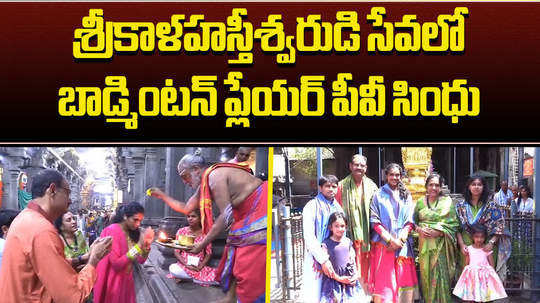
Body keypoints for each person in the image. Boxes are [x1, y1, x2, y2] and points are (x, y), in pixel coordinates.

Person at [150, 150, 267, 303]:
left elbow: (225, 216)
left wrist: (202, 244)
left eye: (185, 176)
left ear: (196, 169)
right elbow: (186, 208)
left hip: (258, 206)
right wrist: (163, 195)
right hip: (242, 214)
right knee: (233, 255)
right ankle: (230, 297)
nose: (184, 182)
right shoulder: (204, 185)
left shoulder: (214, 177)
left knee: (246, 262)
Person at [0, 169, 112, 303]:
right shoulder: (41, 229)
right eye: (67, 193)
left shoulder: (25, 218)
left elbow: (45, 268)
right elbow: (73, 297)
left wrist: (83, 258)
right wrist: (94, 260)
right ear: (52, 190)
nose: (70, 200)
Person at [369, 163, 417, 303]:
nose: (394, 177)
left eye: (397, 175)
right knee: (385, 278)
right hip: (384, 244)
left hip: (402, 244)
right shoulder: (378, 194)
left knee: (403, 277)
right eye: (392, 175)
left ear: (401, 176)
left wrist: (400, 240)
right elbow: (375, 221)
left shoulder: (406, 194)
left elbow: (410, 220)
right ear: (386, 176)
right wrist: (391, 241)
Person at [93, 202, 154, 303]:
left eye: (140, 221)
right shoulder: (112, 230)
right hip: (113, 281)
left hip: (127, 278)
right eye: (135, 220)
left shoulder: (134, 232)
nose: (138, 224)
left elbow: (141, 260)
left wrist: (146, 246)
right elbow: (117, 264)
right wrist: (139, 245)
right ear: (125, 216)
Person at [414, 173, 459, 303]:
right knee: (426, 276)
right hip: (425, 247)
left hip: (442, 247)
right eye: (431, 185)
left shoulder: (447, 202)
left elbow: (454, 224)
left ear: (440, 187)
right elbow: (413, 223)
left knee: (442, 276)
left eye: (437, 185)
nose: (434, 188)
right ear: (426, 186)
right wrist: (420, 229)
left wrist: (439, 232)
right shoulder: (420, 203)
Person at [455, 175, 511, 281]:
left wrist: (491, 243)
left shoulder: (492, 206)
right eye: (473, 184)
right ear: (469, 187)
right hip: (467, 247)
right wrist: (462, 245)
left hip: (487, 247)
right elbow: (457, 228)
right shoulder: (460, 206)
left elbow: (500, 226)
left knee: (487, 278)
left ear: (484, 187)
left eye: (479, 184)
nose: (476, 187)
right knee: (468, 277)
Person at [335, 154, 378, 289]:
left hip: (368, 235)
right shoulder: (341, 186)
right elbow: (335, 211)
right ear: (350, 166)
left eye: (362, 165)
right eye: (356, 164)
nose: (359, 167)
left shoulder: (372, 186)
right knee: (349, 263)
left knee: (367, 265)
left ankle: (365, 293)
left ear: (365, 167)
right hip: (348, 235)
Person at [301, 175, 344, 303]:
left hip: (335, 256)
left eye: (334, 186)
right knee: (315, 294)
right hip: (316, 257)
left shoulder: (338, 208)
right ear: (320, 188)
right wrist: (323, 259)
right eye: (327, 186)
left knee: (334, 294)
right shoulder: (312, 206)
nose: (331, 189)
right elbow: (309, 236)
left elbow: (342, 232)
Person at [320, 212, 369, 303]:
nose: (340, 229)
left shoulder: (348, 242)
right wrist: (339, 278)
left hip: (349, 282)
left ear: (346, 227)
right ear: (331, 227)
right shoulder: (326, 244)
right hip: (333, 284)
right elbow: (326, 268)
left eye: (342, 226)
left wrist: (354, 276)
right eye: (336, 226)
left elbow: (352, 261)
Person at [452, 225, 507, 302]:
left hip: (484, 277)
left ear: (485, 238)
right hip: (472, 276)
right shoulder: (469, 249)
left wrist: (492, 276)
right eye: (476, 237)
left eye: (482, 237)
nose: (479, 239)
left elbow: (492, 265)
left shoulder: (487, 249)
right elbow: (467, 264)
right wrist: (465, 275)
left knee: (483, 295)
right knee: (471, 295)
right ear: (472, 237)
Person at [169, 209, 217, 285]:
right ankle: (198, 279)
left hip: (197, 266)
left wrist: (200, 266)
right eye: (188, 216)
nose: (190, 218)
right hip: (183, 265)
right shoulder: (181, 231)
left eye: (193, 216)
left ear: (200, 218)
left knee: (218, 275)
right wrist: (186, 265)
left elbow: (208, 253)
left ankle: (189, 278)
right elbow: (176, 251)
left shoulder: (206, 235)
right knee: (173, 268)